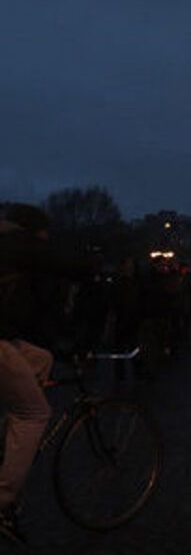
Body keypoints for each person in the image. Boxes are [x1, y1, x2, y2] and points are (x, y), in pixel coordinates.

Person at [0, 204, 93, 544]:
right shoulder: (15, 244)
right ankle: (2, 502)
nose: (46, 238)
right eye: (44, 233)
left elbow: (34, 310)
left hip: (7, 337)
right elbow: (63, 265)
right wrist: (94, 265)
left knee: (40, 358)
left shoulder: (10, 247)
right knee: (35, 413)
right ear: (33, 231)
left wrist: (58, 342)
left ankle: (9, 441)